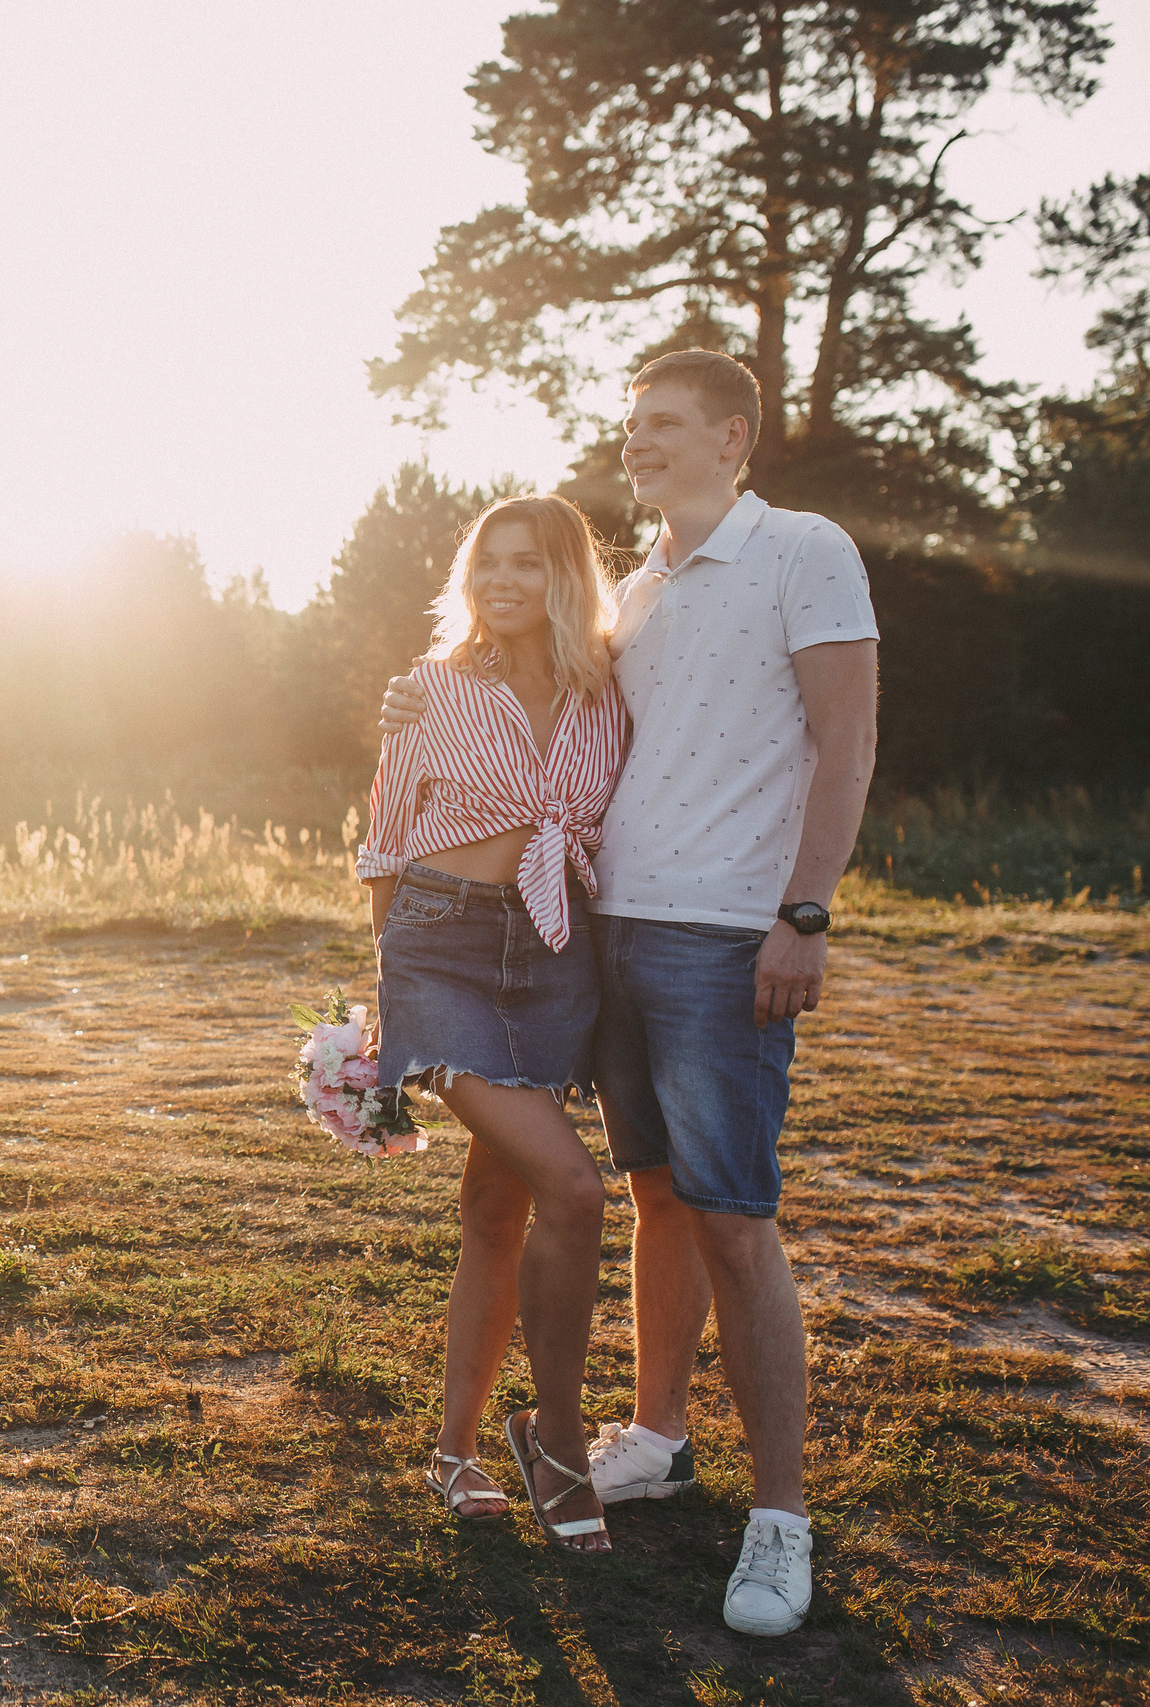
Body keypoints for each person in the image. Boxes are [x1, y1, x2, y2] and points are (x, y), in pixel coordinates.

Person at [381, 349, 879, 1634]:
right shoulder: (636, 602)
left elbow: (847, 738)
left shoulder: (801, 550)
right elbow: (439, 780)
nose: (638, 441)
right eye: (629, 425)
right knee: (634, 1192)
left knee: (724, 1212)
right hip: (590, 939)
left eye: (664, 424)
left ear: (733, 437)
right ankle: (642, 1438)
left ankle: (778, 1523)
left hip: (720, 939)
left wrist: (803, 914)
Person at [356, 493, 627, 1555]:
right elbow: (382, 843)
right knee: (571, 1186)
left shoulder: (609, 694)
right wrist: (389, 1003)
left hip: (556, 956)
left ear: (566, 574)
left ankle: (453, 1448)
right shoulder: (427, 689)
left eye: (524, 563)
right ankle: (554, 1438)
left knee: (493, 1201)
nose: (500, 582)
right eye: (484, 566)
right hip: (441, 946)